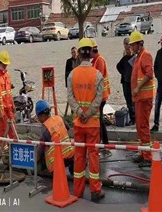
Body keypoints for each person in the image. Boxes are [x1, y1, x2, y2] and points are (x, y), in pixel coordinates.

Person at [67, 38, 105, 202]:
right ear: (91, 53)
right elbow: (99, 99)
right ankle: (95, 191)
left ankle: (78, 190)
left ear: (79, 55)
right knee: (93, 156)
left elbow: (70, 97)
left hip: (78, 124)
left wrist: (79, 112)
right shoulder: (97, 75)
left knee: (79, 157)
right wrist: (88, 113)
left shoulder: (72, 75)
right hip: (93, 124)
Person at [129, 31, 156, 168]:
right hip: (139, 98)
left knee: (143, 126)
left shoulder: (145, 55)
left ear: (139, 44)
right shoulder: (139, 56)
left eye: (133, 45)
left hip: (144, 98)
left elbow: (149, 74)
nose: (131, 48)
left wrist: (138, 87)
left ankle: (147, 156)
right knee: (140, 126)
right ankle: (143, 152)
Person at [35, 100, 74, 175]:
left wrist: (33, 162)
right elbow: (68, 128)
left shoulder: (45, 127)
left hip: (56, 162)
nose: (38, 120)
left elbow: (40, 150)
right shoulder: (59, 118)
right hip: (69, 156)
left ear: (42, 116)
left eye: (38, 117)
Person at [0, 50, 16, 145]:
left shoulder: (7, 75)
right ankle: (4, 150)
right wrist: (1, 112)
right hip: (1, 109)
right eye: (4, 64)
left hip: (9, 107)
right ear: (0, 62)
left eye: (6, 64)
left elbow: (9, 92)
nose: (5, 66)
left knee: (13, 128)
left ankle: (15, 147)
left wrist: (13, 104)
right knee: (3, 130)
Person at [90, 39, 111, 144]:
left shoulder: (99, 60)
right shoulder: (95, 61)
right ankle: (103, 141)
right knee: (99, 118)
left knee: (99, 119)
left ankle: (105, 141)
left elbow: (99, 78)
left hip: (101, 96)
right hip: (99, 95)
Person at [116, 37, 136, 125]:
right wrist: (124, 73)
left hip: (133, 82)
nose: (126, 46)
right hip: (126, 81)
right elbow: (119, 66)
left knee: (134, 101)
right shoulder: (124, 57)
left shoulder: (134, 56)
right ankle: (132, 118)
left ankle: (136, 117)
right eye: (125, 44)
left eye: (128, 44)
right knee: (128, 101)